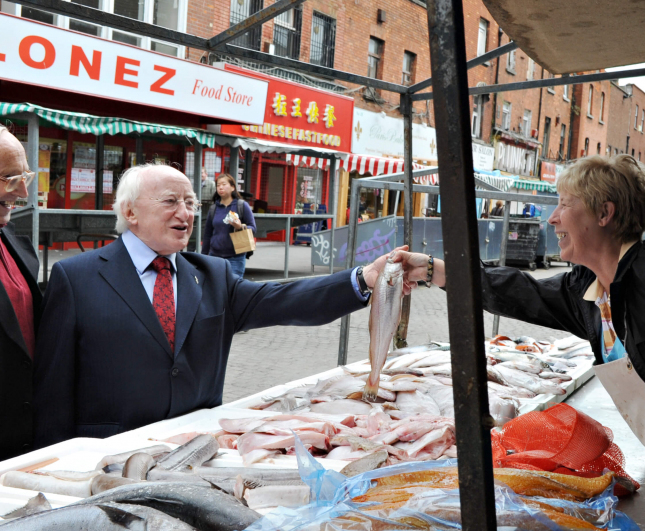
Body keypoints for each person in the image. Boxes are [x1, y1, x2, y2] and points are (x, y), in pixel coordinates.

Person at [397, 154, 645, 530]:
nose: (552, 218)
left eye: (565, 204)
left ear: (605, 214)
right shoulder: (586, 288)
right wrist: (435, 270)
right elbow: (521, 292)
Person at [33, 163, 413, 448]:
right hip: (109, 452)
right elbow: (53, 387)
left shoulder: (211, 275)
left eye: (190, 202)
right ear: (130, 212)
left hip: (197, 447)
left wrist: (363, 278)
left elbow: (283, 300)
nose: (186, 213)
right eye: (170, 202)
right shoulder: (76, 277)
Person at [0, 125, 41, 460]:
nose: (23, 193)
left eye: (24, 175)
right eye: (9, 178)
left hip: (23, 433)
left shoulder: (14, 241)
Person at [200, 173, 256, 279]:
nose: (220, 187)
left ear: (232, 187)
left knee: (233, 289)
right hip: (215, 256)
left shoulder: (242, 205)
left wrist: (240, 227)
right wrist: (204, 256)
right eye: (218, 185)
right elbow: (207, 234)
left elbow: (253, 228)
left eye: (223, 184)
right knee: (216, 288)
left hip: (236, 257)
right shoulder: (213, 209)